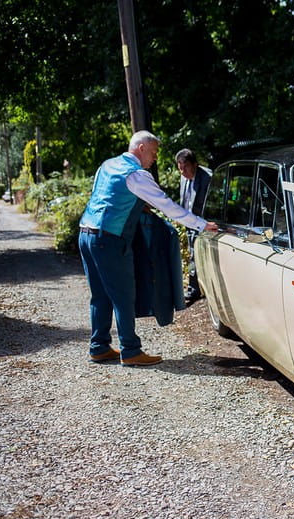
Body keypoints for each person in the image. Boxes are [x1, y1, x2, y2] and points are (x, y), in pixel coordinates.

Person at [78, 131, 219, 367]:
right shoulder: (136, 175)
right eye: (153, 153)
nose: (154, 158)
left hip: (85, 233)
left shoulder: (108, 165)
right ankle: (131, 350)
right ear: (141, 148)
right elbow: (168, 206)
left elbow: (103, 196)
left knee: (100, 295)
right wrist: (202, 224)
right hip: (109, 238)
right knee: (123, 295)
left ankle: (99, 346)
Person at [175, 148, 211, 304]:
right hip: (189, 223)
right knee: (192, 257)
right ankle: (193, 288)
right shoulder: (183, 178)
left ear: (195, 164)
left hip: (205, 224)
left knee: (203, 257)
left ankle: (204, 288)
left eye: (185, 167)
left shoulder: (208, 177)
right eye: (180, 167)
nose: (182, 171)